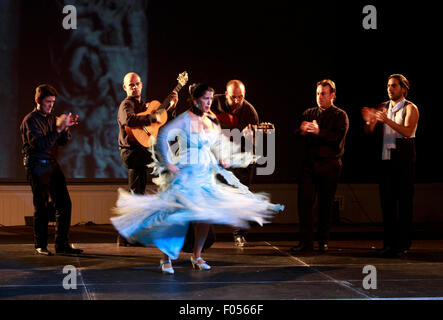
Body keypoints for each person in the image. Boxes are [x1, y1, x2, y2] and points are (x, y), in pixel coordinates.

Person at [111, 83, 284, 274]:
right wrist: (169, 162)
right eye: (205, 99)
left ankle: (197, 255)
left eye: (210, 99)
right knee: (178, 215)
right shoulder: (185, 119)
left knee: (205, 216)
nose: (209, 102)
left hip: (204, 171)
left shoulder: (212, 120)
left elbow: (218, 141)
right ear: (195, 100)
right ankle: (166, 257)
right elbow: (163, 137)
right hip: (186, 170)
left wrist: (223, 156)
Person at [20, 84, 83, 256]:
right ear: (38, 100)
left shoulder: (51, 118)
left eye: (53, 102)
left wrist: (66, 128)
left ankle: (62, 245)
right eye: (48, 102)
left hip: (51, 164)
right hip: (36, 165)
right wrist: (58, 128)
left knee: (64, 204)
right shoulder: (30, 120)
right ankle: (40, 245)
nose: (51, 105)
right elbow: (40, 144)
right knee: (41, 206)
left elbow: (61, 142)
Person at [117, 72, 178, 246]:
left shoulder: (145, 105)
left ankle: (127, 236)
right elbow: (129, 120)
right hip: (132, 153)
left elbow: (161, 124)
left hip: (140, 150)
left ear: (141, 85)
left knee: (137, 192)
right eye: (131, 85)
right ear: (125, 87)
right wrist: (151, 117)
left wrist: (171, 108)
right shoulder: (126, 104)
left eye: (137, 84)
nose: (135, 87)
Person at [362, 74, 419, 258]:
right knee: (387, 203)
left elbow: (408, 132)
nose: (390, 89)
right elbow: (369, 130)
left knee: (404, 204)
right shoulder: (384, 106)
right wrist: (370, 121)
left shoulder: (410, 107)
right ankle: (388, 243)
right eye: (388, 85)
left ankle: (402, 245)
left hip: (403, 158)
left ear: (403, 88)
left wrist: (387, 121)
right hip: (386, 158)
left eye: (394, 86)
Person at [292, 79, 349, 253]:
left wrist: (318, 132)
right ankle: (306, 242)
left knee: (325, 204)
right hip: (309, 165)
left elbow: (336, 138)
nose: (319, 97)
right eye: (317, 93)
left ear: (332, 95)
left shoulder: (340, 115)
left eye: (323, 94)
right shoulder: (309, 113)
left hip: (329, 165)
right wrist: (302, 130)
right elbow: (297, 134)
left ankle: (323, 241)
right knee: (305, 203)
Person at [211, 80, 259, 247]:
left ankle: (239, 234)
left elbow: (253, 146)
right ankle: (202, 235)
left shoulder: (250, 112)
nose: (237, 101)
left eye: (241, 97)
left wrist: (250, 138)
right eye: (233, 97)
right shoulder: (214, 102)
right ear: (226, 95)